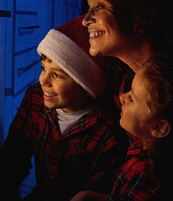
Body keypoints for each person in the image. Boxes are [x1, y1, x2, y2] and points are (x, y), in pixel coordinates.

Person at [0, 15, 130, 201]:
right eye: (43, 68)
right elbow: (15, 155)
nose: (43, 80)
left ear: (86, 87)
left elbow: (94, 192)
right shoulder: (35, 98)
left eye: (57, 75)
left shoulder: (107, 129)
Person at [70, 59, 173, 201]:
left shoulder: (144, 174)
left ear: (158, 128)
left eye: (132, 99)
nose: (122, 97)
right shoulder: (140, 147)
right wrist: (87, 195)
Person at [81, 0, 173, 100]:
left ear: (145, 15)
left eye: (100, 6)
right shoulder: (122, 88)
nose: (85, 20)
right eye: (89, 8)